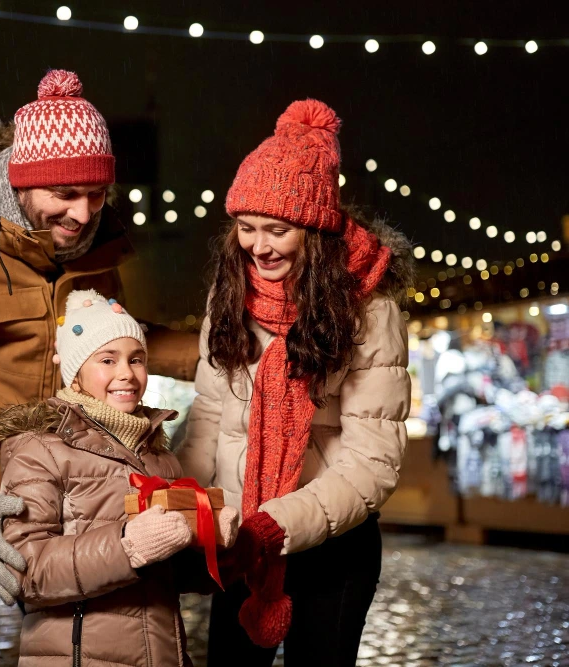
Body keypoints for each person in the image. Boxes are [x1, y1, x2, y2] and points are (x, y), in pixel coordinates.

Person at [0, 69, 198, 666]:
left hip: (66, 510)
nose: (82, 213)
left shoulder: (93, 250)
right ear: (22, 182)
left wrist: (227, 350)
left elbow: (113, 342)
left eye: (97, 194)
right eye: (65, 195)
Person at [178, 99, 414, 666]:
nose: (258, 247)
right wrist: (186, 504)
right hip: (240, 536)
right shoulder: (230, 295)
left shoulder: (370, 311)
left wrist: (277, 524)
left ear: (315, 231)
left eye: (277, 230)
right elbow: (210, 415)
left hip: (333, 544)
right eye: (245, 227)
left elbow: (372, 463)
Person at [0, 291, 237, 666]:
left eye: (136, 359)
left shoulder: (160, 457)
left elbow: (169, 576)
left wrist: (211, 541)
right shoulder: (40, 451)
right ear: (75, 376)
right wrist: (126, 546)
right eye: (108, 359)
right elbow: (22, 569)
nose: (127, 372)